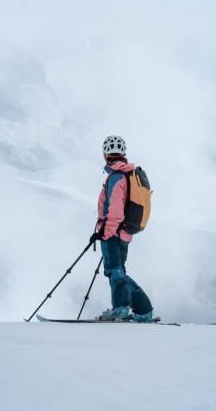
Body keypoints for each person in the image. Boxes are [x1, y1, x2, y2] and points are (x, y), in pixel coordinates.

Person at [90, 135, 154, 322]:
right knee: (119, 272)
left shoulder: (117, 177)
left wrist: (106, 234)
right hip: (124, 233)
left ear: (105, 155)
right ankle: (140, 311)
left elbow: (115, 212)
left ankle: (124, 309)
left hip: (114, 233)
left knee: (114, 271)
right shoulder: (127, 174)